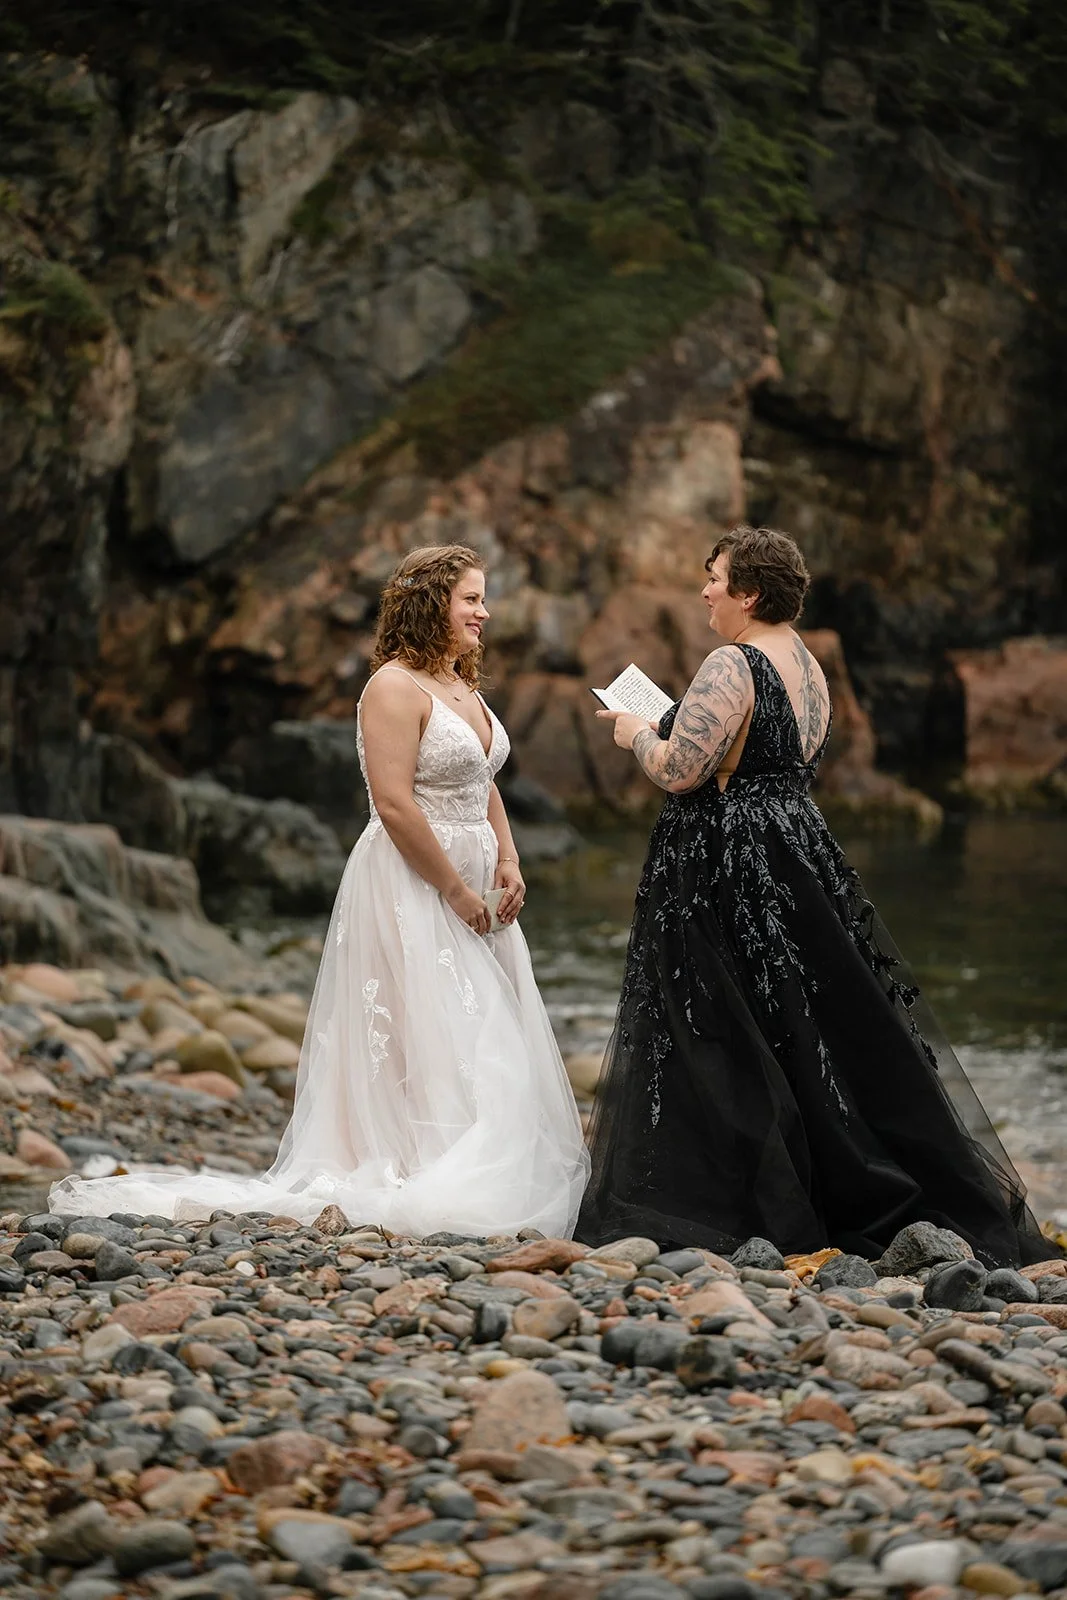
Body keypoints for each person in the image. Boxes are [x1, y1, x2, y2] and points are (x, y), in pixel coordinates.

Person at [51, 544, 589, 1236]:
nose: (485, 612)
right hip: (413, 878)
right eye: (471, 599)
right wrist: (455, 891)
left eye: (483, 599)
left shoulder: (463, 685)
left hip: (481, 876)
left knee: (487, 1024)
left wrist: (509, 861)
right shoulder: (392, 688)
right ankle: (421, 1167)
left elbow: (482, 782)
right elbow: (395, 805)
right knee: (428, 1021)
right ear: (432, 604)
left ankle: (482, 1159)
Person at [578, 523, 1054, 1267]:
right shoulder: (806, 664)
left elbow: (679, 770)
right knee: (805, 1025)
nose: (704, 590)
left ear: (749, 592)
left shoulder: (730, 662)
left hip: (727, 856)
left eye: (715, 577)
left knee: (717, 1024)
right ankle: (828, 1187)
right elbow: (771, 757)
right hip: (796, 848)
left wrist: (636, 731)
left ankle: (721, 1199)